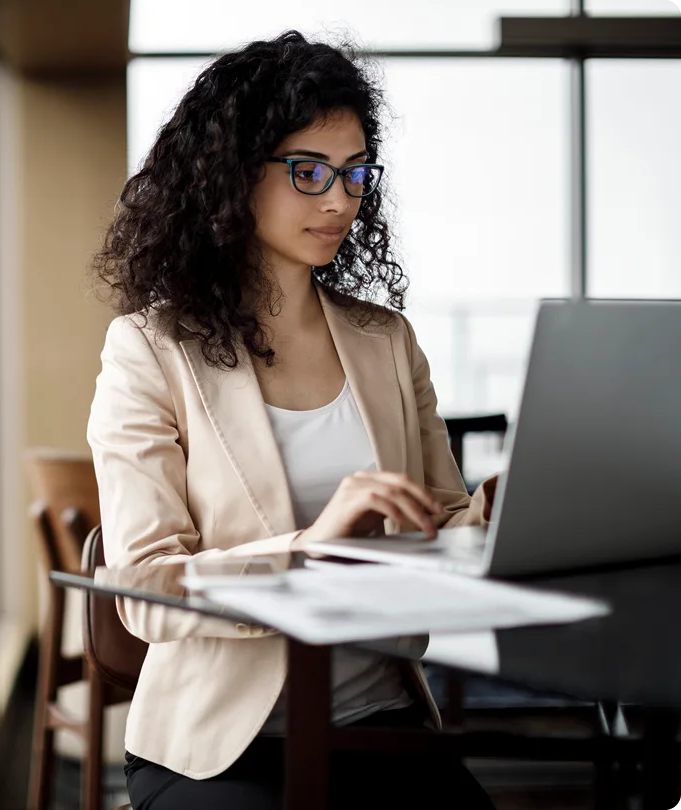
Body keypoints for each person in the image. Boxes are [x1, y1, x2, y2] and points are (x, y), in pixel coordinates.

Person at [87, 31, 499, 809]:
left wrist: (496, 514)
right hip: (224, 746)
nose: (340, 200)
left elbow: (440, 524)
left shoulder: (387, 342)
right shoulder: (149, 351)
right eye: (309, 172)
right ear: (231, 175)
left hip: (381, 720)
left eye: (354, 174)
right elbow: (142, 589)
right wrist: (312, 545)